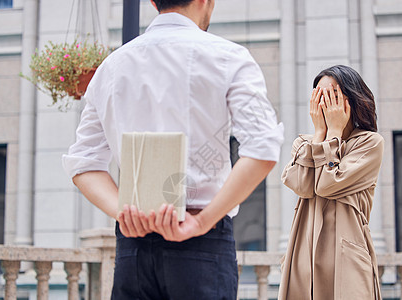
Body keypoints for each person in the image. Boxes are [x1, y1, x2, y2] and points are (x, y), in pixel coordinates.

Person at [62, 0, 284, 299]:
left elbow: (83, 162)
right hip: (202, 241)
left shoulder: (112, 66)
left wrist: (126, 213)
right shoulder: (228, 57)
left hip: (133, 246)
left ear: (152, 2)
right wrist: (202, 221)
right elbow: (263, 148)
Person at [278, 65, 384, 300]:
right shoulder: (304, 143)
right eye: (318, 95)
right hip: (304, 256)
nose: (325, 102)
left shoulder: (369, 143)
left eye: (333, 95)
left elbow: (327, 185)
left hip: (346, 257)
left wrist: (334, 132)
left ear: (352, 99)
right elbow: (301, 186)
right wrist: (319, 136)